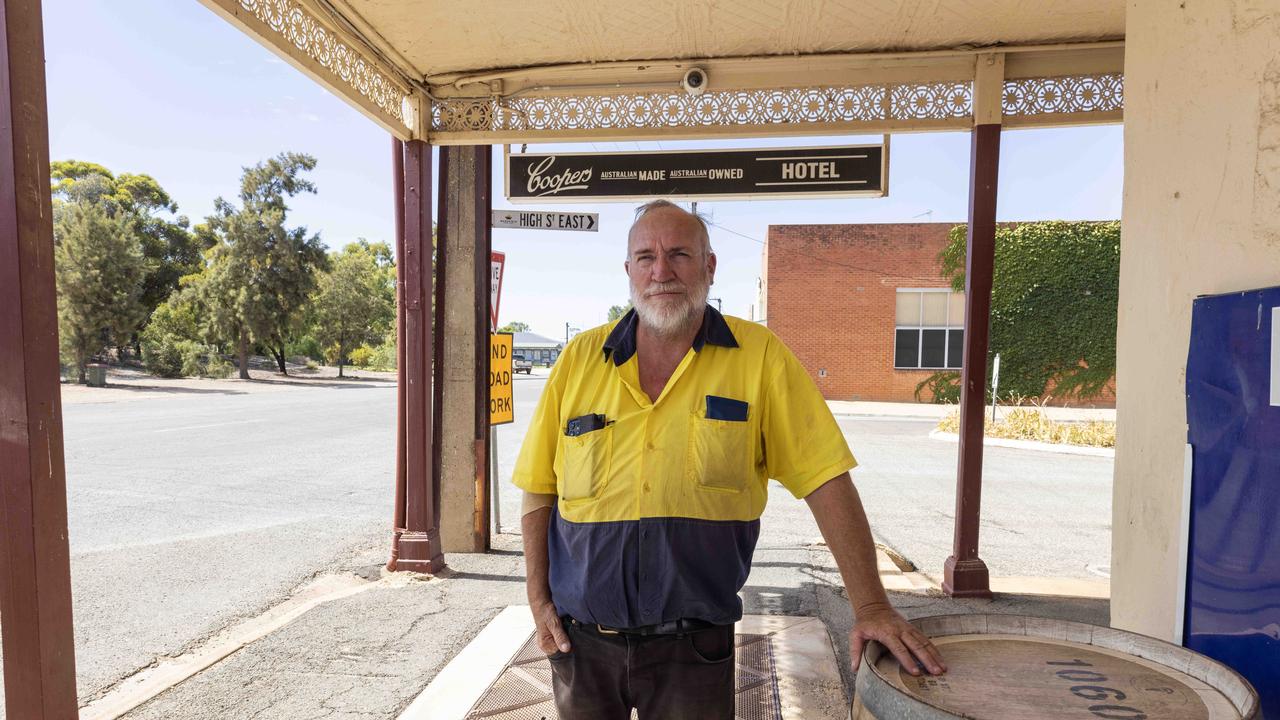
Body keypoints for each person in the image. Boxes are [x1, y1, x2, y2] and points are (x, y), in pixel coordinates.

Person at [513, 199, 945, 719]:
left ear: (710, 266)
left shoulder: (759, 357)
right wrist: (538, 602)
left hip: (694, 650)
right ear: (628, 271)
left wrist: (871, 606)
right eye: (646, 257)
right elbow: (539, 488)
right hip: (580, 646)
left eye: (680, 254)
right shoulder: (579, 360)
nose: (662, 271)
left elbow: (825, 478)